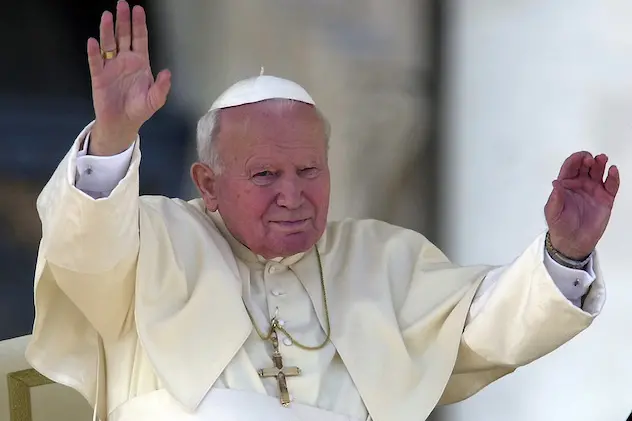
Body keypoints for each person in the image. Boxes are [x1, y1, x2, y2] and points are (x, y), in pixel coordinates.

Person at [26, 3, 620, 421]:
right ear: (207, 183)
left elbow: (484, 326)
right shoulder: (150, 241)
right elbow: (83, 254)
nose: (293, 195)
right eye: (265, 175)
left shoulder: (380, 259)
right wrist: (112, 138)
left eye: (309, 171)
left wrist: (563, 252)